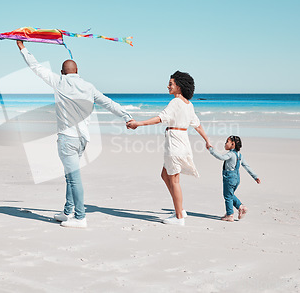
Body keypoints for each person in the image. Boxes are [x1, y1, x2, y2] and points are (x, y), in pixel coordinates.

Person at [16, 40, 133, 228]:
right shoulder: (88, 86)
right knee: (70, 176)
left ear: (63, 72)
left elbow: (35, 66)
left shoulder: (58, 81)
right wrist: (127, 116)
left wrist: (22, 46)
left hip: (67, 139)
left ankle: (80, 217)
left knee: (73, 178)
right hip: (82, 140)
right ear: (77, 72)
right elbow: (109, 103)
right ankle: (67, 211)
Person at [127, 71, 211, 226]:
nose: (168, 86)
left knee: (174, 180)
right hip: (182, 143)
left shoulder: (176, 102)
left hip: (175, 144)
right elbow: (197, 125)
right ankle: (180, 210)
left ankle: (179, 217)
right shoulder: (188, 104)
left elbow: (160, 118)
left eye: (171, 84)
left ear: (179, 86)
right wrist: (207, 140)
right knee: (165, 175)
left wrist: (138, 123)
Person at [208, 135, 261, 222]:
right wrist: (255, 176)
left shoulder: (230, 154)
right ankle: (241, 207)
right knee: (230, 194)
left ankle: (229, 214)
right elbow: (246, 166)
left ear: (233, 144)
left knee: (227, 196)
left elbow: (221, 157)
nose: (225, 144)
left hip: (229, 177)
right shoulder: (240, 155)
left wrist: (211, 150)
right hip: (236, 178)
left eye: (227, 142)